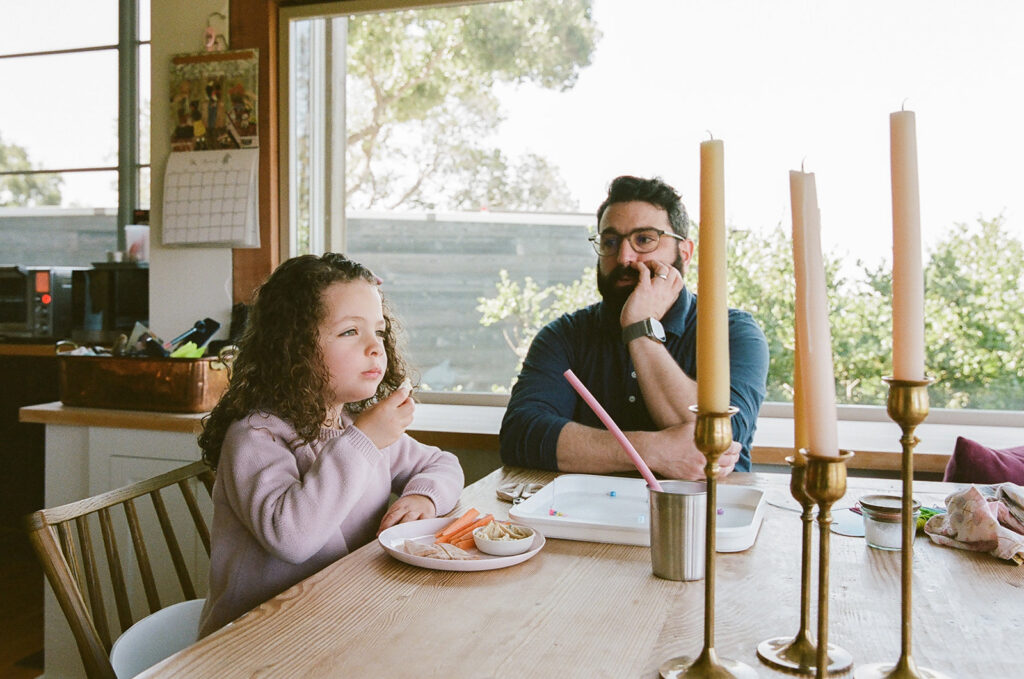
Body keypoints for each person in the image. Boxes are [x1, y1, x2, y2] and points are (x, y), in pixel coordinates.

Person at [196, 253, 464, 638]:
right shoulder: (256, 437)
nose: (375, 348)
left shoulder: (354, 426)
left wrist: (424, 498)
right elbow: (293, 537)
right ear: (293, 348)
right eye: (350, 332)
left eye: (380, 331)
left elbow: (441, 464)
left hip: (338, 620)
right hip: (253, 642)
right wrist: (366, 440)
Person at [500, 175, 768, 480]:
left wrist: (640, 329)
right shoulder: (564, 336)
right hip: (586, 518)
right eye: (610, 242)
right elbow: (521, 435)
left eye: (644, 240)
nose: (624, 257)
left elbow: (717, 442)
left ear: (685, 252)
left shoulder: (734, 333)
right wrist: (655, 450)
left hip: (707, 518)